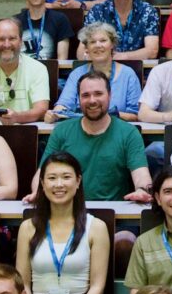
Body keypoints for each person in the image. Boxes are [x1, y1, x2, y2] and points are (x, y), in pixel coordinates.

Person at [41, 71, 151, 201]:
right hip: (68, 210)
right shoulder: (62, 131)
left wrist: (142, 190)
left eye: (98, 94)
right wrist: (36, 193)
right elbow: (41, 174)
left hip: (113, 214)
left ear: (109, 96)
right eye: (85, 95)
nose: (92, 100)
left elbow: (141, 174)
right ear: (79, 99)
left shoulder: (129, 132)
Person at [16, 154, 110, 294]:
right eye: (52, 178)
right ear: (42, 183)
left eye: (66, 177)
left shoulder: (96, 227)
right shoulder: (27, 228)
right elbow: (23, 284)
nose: (59, 184)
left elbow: (97, 286)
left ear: (78, 181)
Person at [0, 17, 51, 124]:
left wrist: (17, 117)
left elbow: (41, 110)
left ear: (21, 41)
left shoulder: (38, 69)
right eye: (1, 39)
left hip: (25, 135)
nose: (6, 45)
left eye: (12, 38)